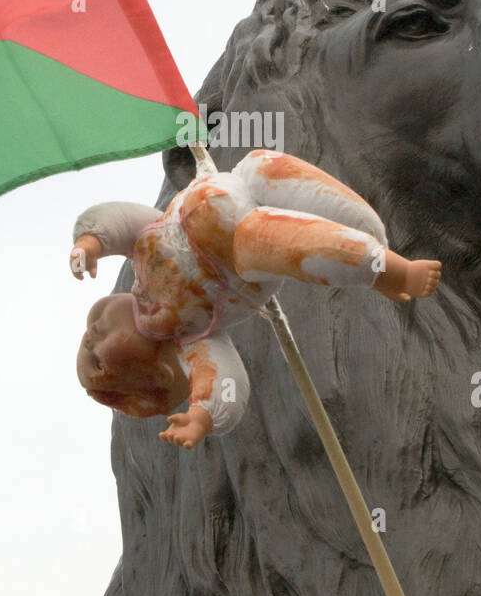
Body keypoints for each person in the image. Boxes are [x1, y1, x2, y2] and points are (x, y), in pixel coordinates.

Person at [70, 149, 441, 448]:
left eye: (86, 335)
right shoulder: (192, 337)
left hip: (238, 182)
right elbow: (226, 382)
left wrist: (90, 242)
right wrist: (203, 415)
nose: (90, 336)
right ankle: (386, 270)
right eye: (98, 359)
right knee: (288, 243)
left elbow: (121, 218)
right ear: (159, 373)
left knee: (277, 170)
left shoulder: (141, 256)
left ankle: (369, 235)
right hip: (235, 250)